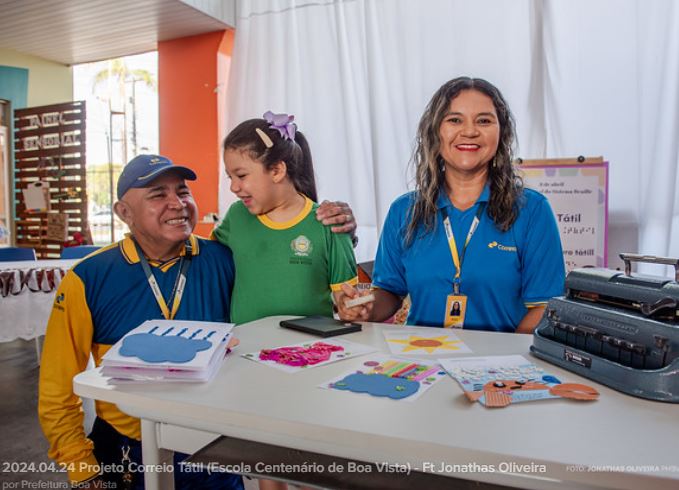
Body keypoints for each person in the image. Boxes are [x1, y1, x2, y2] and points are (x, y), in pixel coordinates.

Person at [38, 154, 357, 489]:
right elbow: (57, 386)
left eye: (183, 191)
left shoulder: (224, 258)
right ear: (124, 212)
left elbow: (286, 258)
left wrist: (335, 225)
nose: (177, 204)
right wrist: (80, 466)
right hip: (127, 449)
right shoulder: (89, 277)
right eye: (158, 195)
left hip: (211, 449)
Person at [337, 77, 565, 333]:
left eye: (484, 120)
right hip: (420, 361)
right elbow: (389, 291)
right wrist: (365, 307)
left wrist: (507, 361)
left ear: (502, 133)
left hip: (498, 368)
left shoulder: (531, 210)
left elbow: (544, 306)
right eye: (455, 120)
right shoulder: (404, 211)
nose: (469, 131)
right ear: (435, 131)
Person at [213, 112, 357, 326]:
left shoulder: (330, 224)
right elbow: (205, 260)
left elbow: (352, 299)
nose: (233, 187)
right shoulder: (236, 216)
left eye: (241, 176)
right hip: (246, 351)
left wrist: (356, 307)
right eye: (230, 177)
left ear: (277, 170)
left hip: (312, 352)